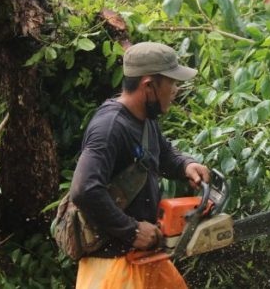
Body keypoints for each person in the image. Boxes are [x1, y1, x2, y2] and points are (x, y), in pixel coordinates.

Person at [70, 42, 210, 288]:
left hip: (144, 257)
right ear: (148, 85)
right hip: (114, 265)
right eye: (171, 82)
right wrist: (131, 230)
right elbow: (84, 189)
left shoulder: (145, 119)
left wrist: (186, 165)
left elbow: (164, 154)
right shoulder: (110, 127)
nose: (175, 90)